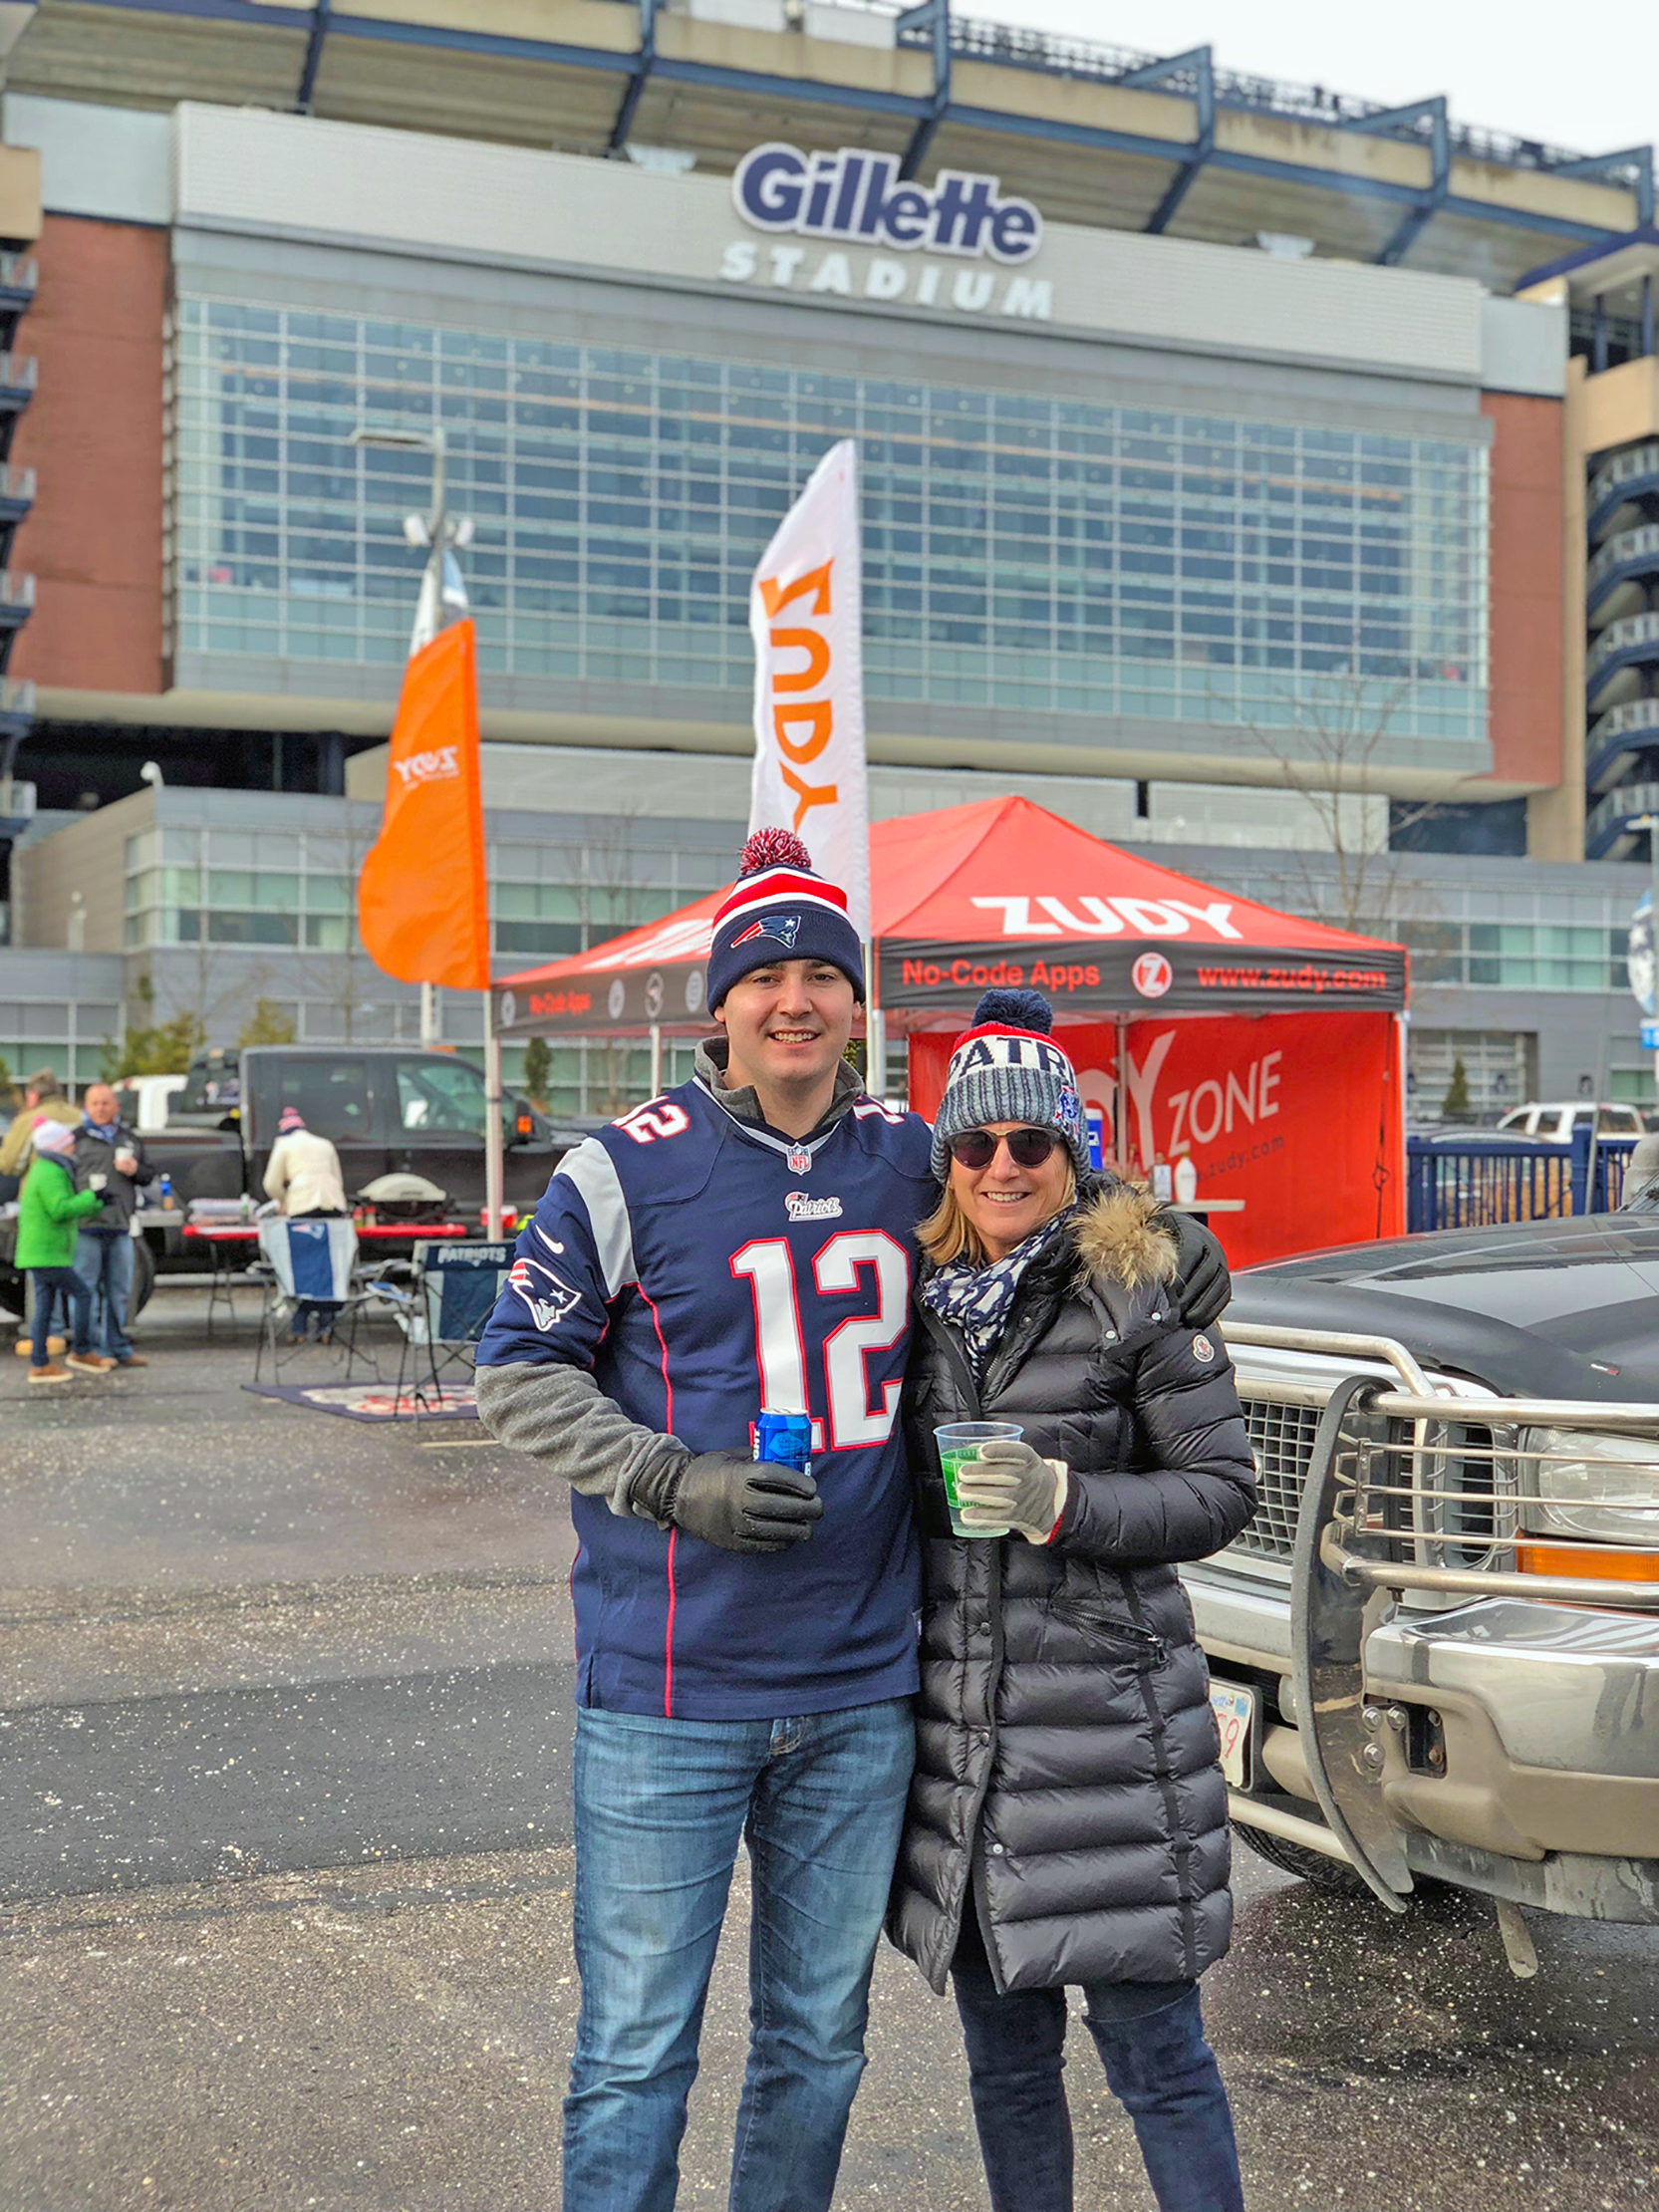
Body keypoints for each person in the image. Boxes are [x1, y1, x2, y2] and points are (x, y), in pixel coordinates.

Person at [474, 832, 1233, 2212]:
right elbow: (513, 1373)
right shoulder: (619, 1170)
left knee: (818, 2044)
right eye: (764, 977)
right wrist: (665, 1477)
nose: (794, 1000)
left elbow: (1046, 1204)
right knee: (637, 2051)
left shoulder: (907, 1158)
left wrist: (1164, 1240)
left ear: (855, 1003)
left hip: (863, 1687)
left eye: (822, 974)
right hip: (668, 1685)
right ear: (720, 1005)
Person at [886, 985, 1257, 2212]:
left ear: (1071, 1153)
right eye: (976, 1146)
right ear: (946, 1161)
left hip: (1112, 1735)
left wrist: (1062, 1502)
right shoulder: (915, 1303)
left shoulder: (1137, 1293)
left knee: (1158, 2060)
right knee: (1005, 2069)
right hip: (971, 1745)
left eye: (1030, 1144)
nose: (1002, 1168)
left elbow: (1217, 1494)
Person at [17, 1120, 117, 1383]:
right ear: (57, 1146)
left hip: (41, 1252)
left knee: (45, 1308)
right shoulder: (51, 1171)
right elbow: (60, 1209)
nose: (73, 1147)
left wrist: (95, 1202)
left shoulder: (43, 1168)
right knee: (83, 1293)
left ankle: (40, 1363)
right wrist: (92, 1197)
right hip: (48, 1252)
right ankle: (81, 1351)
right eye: (68, 1142)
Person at [71, 1080, 154, 1369]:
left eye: (106, 1102)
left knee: (119, 1292)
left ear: (116, 1106)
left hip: (120, 1226)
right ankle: (87, 1348)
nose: (101, 1108)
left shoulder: (129, 1139)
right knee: (85, 1291)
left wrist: (135, 1170)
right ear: (86, 1107)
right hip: (85, 1227)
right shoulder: (75, 1139)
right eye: (95, 1103)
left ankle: (117, 1347)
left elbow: (148, 1175)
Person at [263, 1105, 350, 1339]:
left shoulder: (284, 1145)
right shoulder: (325, 1144)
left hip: (303, 1208)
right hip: (332, 1206)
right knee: (328, 1267)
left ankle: (299, 1328)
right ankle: (326, 1327)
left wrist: (284, 1200)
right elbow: (337, 1180)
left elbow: (270, 1184)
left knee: (303, 1267)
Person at [0, 1067, 82, 1201]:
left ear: (33, 1095)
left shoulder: (26, 1121)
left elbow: (9, 1164)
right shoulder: (80, 1116)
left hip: (39, 1199)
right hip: (76, 1195)